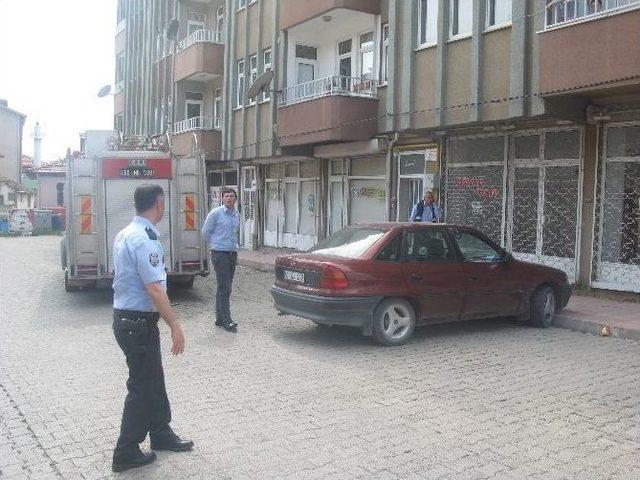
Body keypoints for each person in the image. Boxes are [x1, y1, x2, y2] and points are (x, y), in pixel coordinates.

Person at [111, 184, 193, 473]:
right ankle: (126, 450)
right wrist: (175, 324)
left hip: (131, 320)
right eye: (164, 203)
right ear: (158, 204)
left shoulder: (125, 233)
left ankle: (160, 431)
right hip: (136, 323)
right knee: (142, 386)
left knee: (153, 379)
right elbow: (155, 289)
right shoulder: (144, 240)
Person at [202, 187, 240, 332]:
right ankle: (227, 320)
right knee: (225, 287)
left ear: (235, 199)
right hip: (219, 254)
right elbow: (205, 232)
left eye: (231, 196)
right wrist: (215, 245)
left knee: (224, 286)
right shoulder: (216, 213)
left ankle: (219, 318)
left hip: (232, 253)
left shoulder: (236, 214)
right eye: (226, 196)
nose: (229, 198)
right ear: (222, 199)